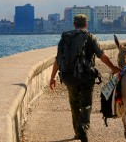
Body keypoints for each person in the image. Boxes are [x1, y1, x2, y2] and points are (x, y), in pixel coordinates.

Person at [49, 14, 120, 142]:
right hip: (86, 78)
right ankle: (83, 126)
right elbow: (102, 56)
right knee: (86, 104)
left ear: (74, 24)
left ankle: (77, 132)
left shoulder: (65, 38)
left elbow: (58, 60)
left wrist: (52, 77)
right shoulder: (90, 37)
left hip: (69, 77)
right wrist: (113, 67)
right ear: (86, 24)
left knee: (74, 104)